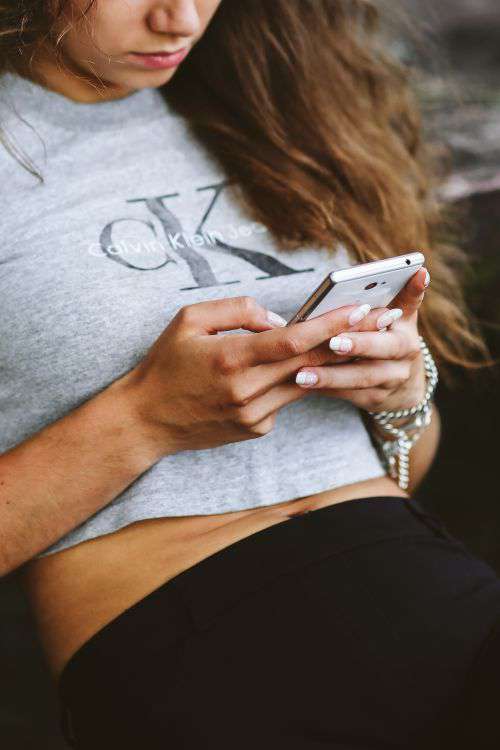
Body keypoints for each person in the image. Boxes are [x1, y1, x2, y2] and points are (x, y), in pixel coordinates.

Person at [0, 1, 499, 748]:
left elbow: (404, 470)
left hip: (430, 588)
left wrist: (399, 395)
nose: (181, 18)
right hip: (200, 654)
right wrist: (142, 419)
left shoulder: (276, 106)